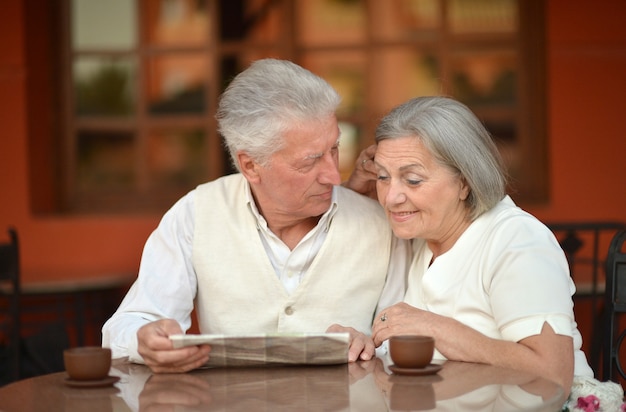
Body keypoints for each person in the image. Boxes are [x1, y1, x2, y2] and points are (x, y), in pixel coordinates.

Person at [102, 58, 405, 373]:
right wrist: (146, 341)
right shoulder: (196, 214)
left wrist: (371, 345)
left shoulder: (382, 226)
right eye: (309, 162)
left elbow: (405, 342)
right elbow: (126, 327)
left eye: (334, 149)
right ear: (250, 165)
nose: (332, 174)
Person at [346, 96, 594, 394]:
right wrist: (365, 344)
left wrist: (435, 329)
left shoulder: (517, 240)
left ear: (464, 182)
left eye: (412, 180)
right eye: (383, 177)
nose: (390, 197)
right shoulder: (422, 238)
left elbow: (552, 372)